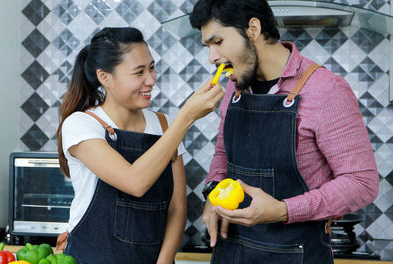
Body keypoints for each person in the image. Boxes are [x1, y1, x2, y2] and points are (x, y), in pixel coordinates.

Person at [190, 1, 379, 263]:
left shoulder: (326, 90)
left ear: (253, 29)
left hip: (298, 254)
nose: (212, 58)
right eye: (208, 46)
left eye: (218, 41)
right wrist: (213, 193)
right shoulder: (234, 90)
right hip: (231, 251)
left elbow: (362, 183)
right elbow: (223, 155)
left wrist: (283, 210)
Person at [55, 27, 224, 264]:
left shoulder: (163, 125)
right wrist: (186, 116)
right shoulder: (82, 124)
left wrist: (164, 262)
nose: (151, 80)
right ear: (105, 77)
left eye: (152, 68)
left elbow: (176, 207)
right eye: (139, 72)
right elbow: (134, 183)